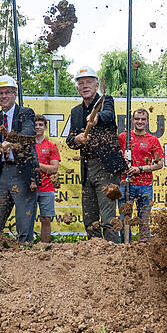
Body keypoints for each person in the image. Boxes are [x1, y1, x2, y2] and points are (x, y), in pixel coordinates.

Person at [66, 66, 124, 243]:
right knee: (89, 219)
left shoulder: (106, 101)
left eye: (89, 82)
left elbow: (108, 115)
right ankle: (94, 256)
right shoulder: (75, 112)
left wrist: (96, 118)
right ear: (77, 88)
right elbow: (69, 140)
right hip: (86, 168)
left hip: (106, 167)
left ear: (97, 84)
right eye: (81, 83)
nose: (85, 86)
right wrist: (77, 139)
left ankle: (114, 254)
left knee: (108, 218)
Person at [0, 74, 41, 242]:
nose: (4, 96)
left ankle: (25, 254)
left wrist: (10, 141)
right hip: (2, 172)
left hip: (22, 172)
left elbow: (29, 132)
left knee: (24, 224)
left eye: (7, 92)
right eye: (0, 93)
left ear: (15, 94)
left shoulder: (25, 113)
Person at [117, 108, 164, 241]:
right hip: (126, 183)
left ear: (147, 121)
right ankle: (127, 247)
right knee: (124, 220)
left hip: (145, 185)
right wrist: (122, 160)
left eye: (143, 119)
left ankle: (144, 248)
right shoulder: (123, 137)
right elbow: (115, 157)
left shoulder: (152, 140)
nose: (140, 121)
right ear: (132, 120)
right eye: (137, 119)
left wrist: (140, 169)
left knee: (144, 221)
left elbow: (159, 164)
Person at [34, 114, 61, 243]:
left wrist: (37, 165)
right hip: (29, 188)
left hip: (46, 187)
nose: (38, 127)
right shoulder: (27, 146)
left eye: (40, 125)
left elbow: (54, 168)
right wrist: (45, 167)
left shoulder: (51, 146)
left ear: (45, 127)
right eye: (35, 125)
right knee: (27, 218)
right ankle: (26, 246)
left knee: (46, 219)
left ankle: (45, 246)